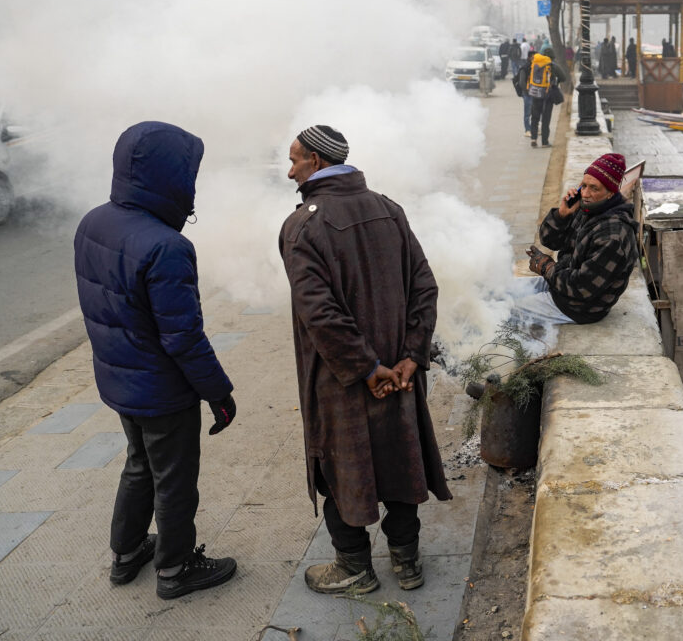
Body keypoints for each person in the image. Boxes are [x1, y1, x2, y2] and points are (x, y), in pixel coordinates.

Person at [279, 125, 451, 595]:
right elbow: (425, 287)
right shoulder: (388, 209)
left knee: (339, 466)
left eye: (294, 160)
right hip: (398, 374)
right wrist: (410, 358)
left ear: (315, 160)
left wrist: (365, 369)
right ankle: (407, 564)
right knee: (400, 459)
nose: (288, 169)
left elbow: (321, 316)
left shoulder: (302, 226)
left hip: (340, 381)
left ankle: (353, 568)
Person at [73, 121, 238, 600]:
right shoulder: (166, 247)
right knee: (175, 481)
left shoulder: (93, 221)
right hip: (164, 392)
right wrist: (219, 393)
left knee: (138, 464)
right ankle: (176, 569)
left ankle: (125, 555)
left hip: (120, 380)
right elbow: (183, 338)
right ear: (170, 177)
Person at [524, 152, 639, 324]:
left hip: (577, 307)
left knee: (501, 312)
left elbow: (581, 287)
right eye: (583, 186)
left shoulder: (613, 236)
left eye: (594, 188)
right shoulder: (587, 208)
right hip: (560, 286)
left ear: (610, 193)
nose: (585, 194)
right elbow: (549, 241)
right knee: (500, 292)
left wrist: (547, 268)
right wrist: (562, 215)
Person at [528, 46, 566, 148]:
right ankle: (544, 142)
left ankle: (533, 138)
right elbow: (563, 77)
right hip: (548, 95)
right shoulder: (552, 65)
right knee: (546, 118)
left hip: (536, 93)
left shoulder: (535, 62)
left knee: (535, 117)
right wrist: (556, 81)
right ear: (552, 56)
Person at [515, 50, 536, 137]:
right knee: (527, 112)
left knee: (535, 112)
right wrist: (527, 91)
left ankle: (534, 128)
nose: (535, 59)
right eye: (533, 57)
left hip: (535, 93)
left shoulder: (537, 66)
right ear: (529, 57)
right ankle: (527, 130)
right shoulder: (525, 68)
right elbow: (521, 82)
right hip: (527, 93)